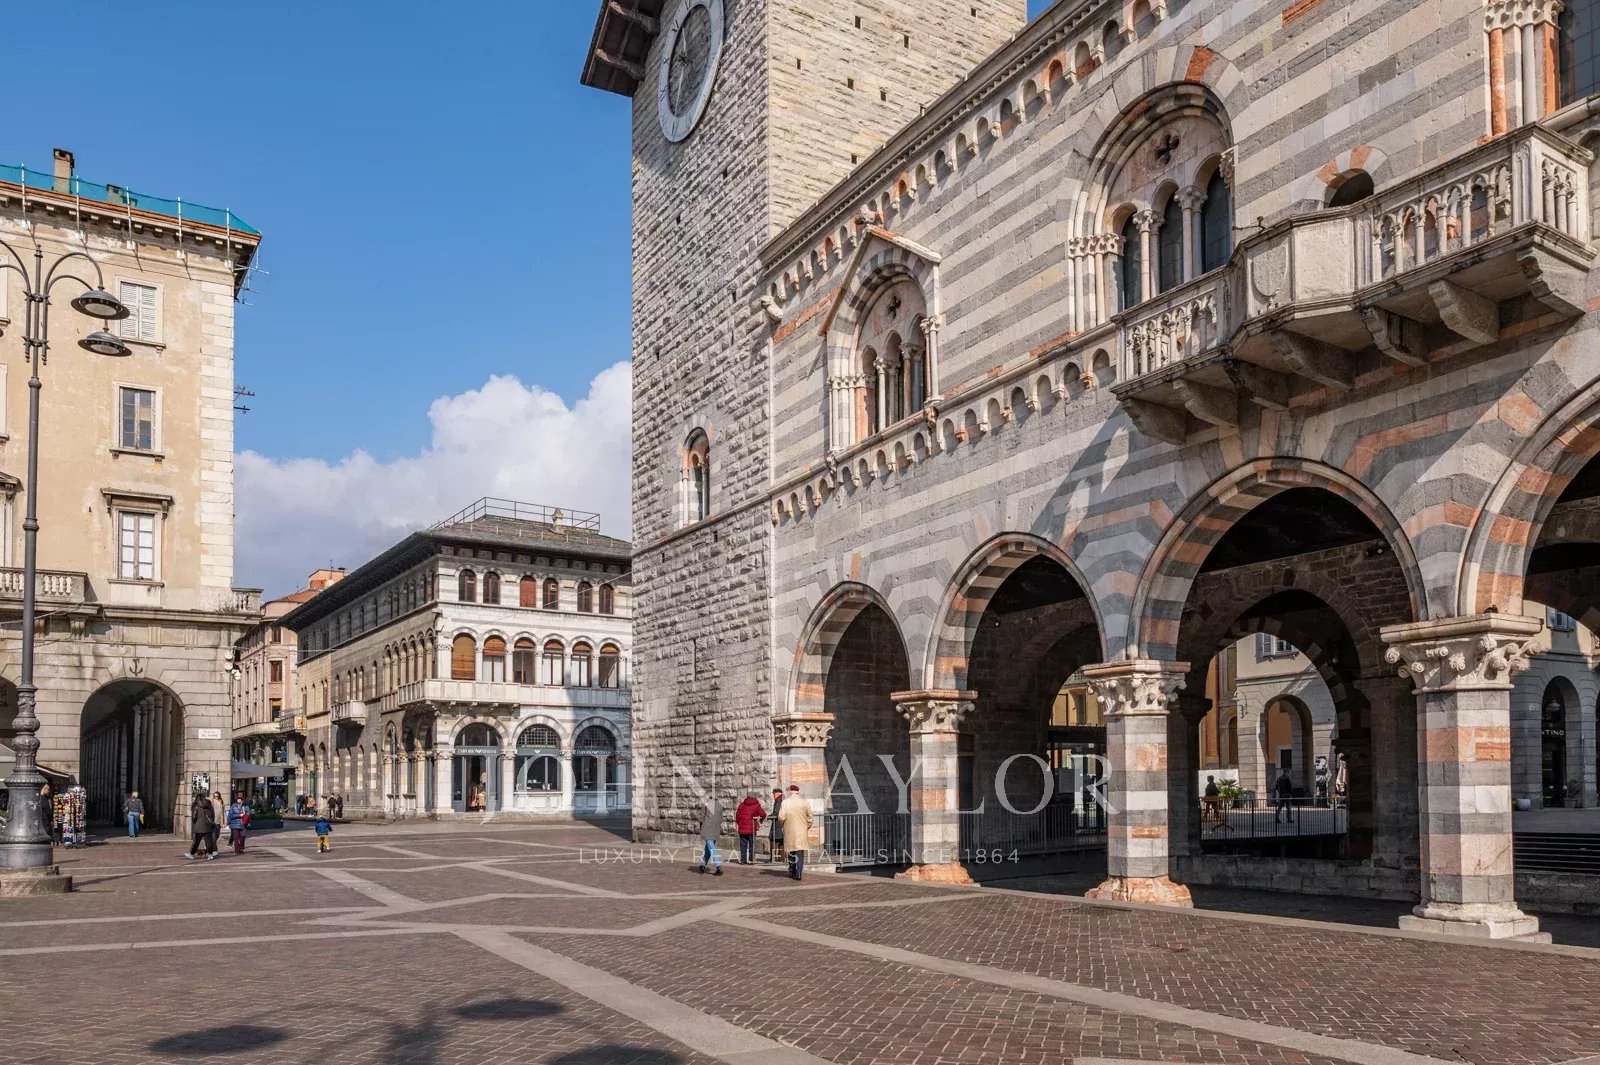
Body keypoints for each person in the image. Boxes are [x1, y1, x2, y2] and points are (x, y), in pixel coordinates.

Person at [779, 784, 812, 881]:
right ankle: (799, 873)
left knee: (791, 851)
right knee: (800, 852)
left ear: (790, 791)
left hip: (789, 830)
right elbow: (810, 817)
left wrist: (783, 824)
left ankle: (792, 870)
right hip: (801, 830)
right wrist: (806, 827)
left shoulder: (785, 802)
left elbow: (781, 817)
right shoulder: (804, 802)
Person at [735, 792, 766, 865]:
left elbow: (737, 817)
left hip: (742, 829)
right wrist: (760, 820)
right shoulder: (756, 805)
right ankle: (751, 860)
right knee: (752, 845)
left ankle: (743, 860)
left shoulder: (741, 805)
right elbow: (763, 814)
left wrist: (740, 824)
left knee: (743, 845)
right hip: (752, 828)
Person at [696, 797, 724, 875]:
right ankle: (702, 865)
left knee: (711, 847)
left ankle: (718, 866)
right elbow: (721, 819)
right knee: (708, 847)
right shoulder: (720, 806)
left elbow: (701, 818)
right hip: (716, 829)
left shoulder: (705, 805)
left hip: (708, 828)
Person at [188, 792, 217, 860]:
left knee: (196, 842)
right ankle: (210, 854)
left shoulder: (196, 806)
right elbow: (213, 815)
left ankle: (191, 854)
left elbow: (194, 817)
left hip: (199, 826)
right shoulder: (208, 804)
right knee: (208, 841)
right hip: (208, 826)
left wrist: (195, 822)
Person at [767, 787, 785, 863]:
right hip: (782, 824)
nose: (773, 796)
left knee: (773, 841)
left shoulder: (779, 801)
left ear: (778, 794)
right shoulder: (783, 800)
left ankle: (773, 859)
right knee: (781, 842)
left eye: (774, 794)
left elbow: (776, 813)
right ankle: (781, 859)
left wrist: (769, 817)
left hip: (778, 825)